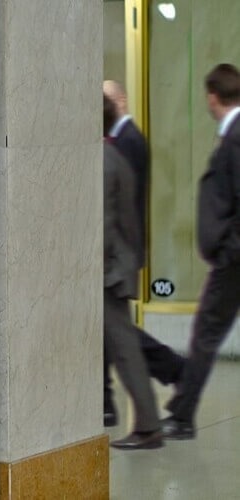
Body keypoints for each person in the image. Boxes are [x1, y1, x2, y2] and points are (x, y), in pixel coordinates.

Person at [162, 63, 240, 440]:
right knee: (206, 334)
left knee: (205, 334)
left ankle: (182, 416)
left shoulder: (236, 137)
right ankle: (181, 408)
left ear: (213, 96)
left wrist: (228, 250)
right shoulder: (231, 135)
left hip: (233, 263)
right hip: (231, 259)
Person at [101, 80, 185, 428]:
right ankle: (107, 402)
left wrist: (122, 259)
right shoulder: (115, 145)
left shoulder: (124, 144)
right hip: (117, 258)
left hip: (113, 261)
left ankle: (173, 373)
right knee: (114, 337)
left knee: (122, 338)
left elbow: (120, 210)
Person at [103, 94, 164, 450]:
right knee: (126, 348)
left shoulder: (102, 161)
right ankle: (148, 423)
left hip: (109, 272)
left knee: (125, 350)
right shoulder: (114, 157)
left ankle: (148, 426)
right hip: (119, 266)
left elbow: (105, 224)